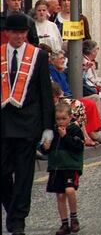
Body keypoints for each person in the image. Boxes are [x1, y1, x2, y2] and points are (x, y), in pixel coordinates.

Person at [1, 14, 55, 235]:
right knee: (2, 173)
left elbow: (45, 92)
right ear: (7, 33)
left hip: (28, 123)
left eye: (23, 32)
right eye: (15, 32)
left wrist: (48, 127)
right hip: (3, 123)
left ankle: (18, 220)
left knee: (24, 175)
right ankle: (13, 209)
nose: (19, 36)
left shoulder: (38, 56)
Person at [42, 102, 84, 235]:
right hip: (56, 167)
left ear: (70, 117)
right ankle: (64, 223)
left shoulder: (74, 130)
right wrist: (45, 147)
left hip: (71, 165)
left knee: (70, 190)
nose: (60, 122)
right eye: (58, 119)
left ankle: (74, 218)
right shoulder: (52, 131)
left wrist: (65, 136)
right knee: (60, 195)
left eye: (63, 119)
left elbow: (78, 146)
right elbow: (45, 150)